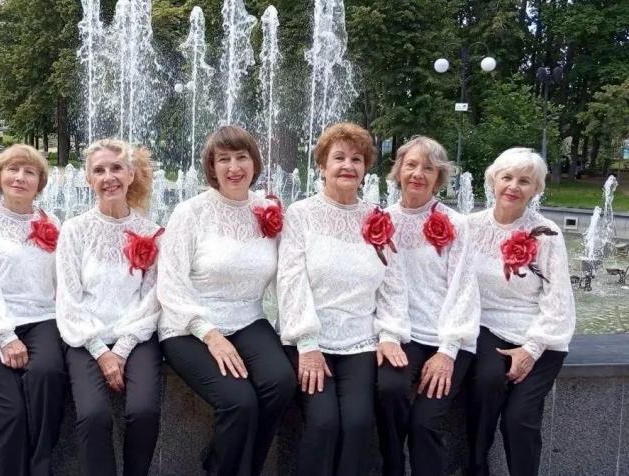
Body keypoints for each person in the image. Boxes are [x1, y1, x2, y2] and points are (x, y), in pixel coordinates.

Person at [157, 125, 295, 476]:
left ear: (254, 162)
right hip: (189, 325)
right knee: (239, 401)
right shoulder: (190, 213)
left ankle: (241, 466)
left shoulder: (268, 211)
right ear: (212, 167)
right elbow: (170, 283)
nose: (234, 167)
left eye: (241, 157)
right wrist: (210, 335)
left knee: (280, 383)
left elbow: (288, 276)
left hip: (248, 318)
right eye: (224, 159)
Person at [278, 122, 409, 476]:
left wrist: (390, 334)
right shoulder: (301, 214)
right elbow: (290, 280)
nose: (348, 165)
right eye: (339, 158)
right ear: (322, 165)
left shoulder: (377, 219)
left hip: (359, 342)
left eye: (356, 159)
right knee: (323, 423)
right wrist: (306, 343)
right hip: (310, 340)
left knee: (357, 424)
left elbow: (392, 284)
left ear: (365, 168)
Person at [55, 139, 164, 476]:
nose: (108, 177)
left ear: (131, 174)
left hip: (136, 335)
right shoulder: (74, 230)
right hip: (85, 337)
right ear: (89, 179)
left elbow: (152, 298)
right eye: (99, 170)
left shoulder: (152, 233)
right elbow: (68, 297)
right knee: (93, 416)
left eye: (116, 168)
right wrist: (101, 352)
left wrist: (123, 348)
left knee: (144, 411)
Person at [466, 148, 575, 476]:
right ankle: (476, 467)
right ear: (493, 180)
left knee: (519, 418)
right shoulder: (469, 227)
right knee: (486, 385)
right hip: (487, 327)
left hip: (540, 335)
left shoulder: (547, 234)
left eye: (524, 181)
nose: (513, 186)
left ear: (536, 189)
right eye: (507, 177)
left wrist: (530, 350)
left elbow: (558, 300)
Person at [375, 136, 480, 476]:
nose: (418, 174)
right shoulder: (382, 220)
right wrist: (388, 335)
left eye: (429, 168)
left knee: (424, 423)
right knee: (388, 390)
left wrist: (447, 352)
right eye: (411, 165)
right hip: (401, 332)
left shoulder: (456, 223)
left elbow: (464, 289)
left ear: (439, 177)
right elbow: (378, 285)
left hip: (449, 336)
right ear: (398, 171)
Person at [0, 144, 66, 476]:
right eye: (12, 169)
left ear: (40, 182)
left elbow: (61, 280)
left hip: (42, 318)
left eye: (29, 172)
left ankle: (40, 465)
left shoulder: (52, 222)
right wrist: (5, 336)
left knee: (48, 376)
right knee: (13, 409)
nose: (20, 177)